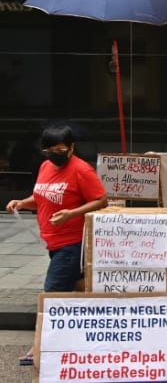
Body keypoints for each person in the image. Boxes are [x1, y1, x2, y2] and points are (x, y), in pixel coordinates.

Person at [6, 122, 108, 365]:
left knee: (51, 293)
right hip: (53, 243)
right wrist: (22, 202)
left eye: (62, 150)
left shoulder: (81, 170)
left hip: (72, 243)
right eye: (51, 150)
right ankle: (75, 342)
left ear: (72, 148)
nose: (56, 154)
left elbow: (101, 200)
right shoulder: (45, 167)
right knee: (72, 290)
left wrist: (70, 214)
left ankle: (40, 346)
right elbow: (43, 195)